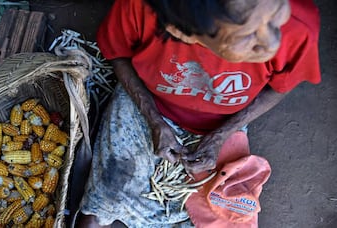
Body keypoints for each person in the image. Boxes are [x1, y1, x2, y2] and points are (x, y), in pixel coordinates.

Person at [77, 0, 321, 227]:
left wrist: (222, 133)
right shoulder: (139, 7)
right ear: (182, 33)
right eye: (246, 34)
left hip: (225, 121)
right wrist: (154, 119)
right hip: (147, 100)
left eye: (276, 14)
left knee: (224, 214)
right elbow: (118, 54)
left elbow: (280, 86)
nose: (272, 42)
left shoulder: (299, 23)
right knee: (101, 208)